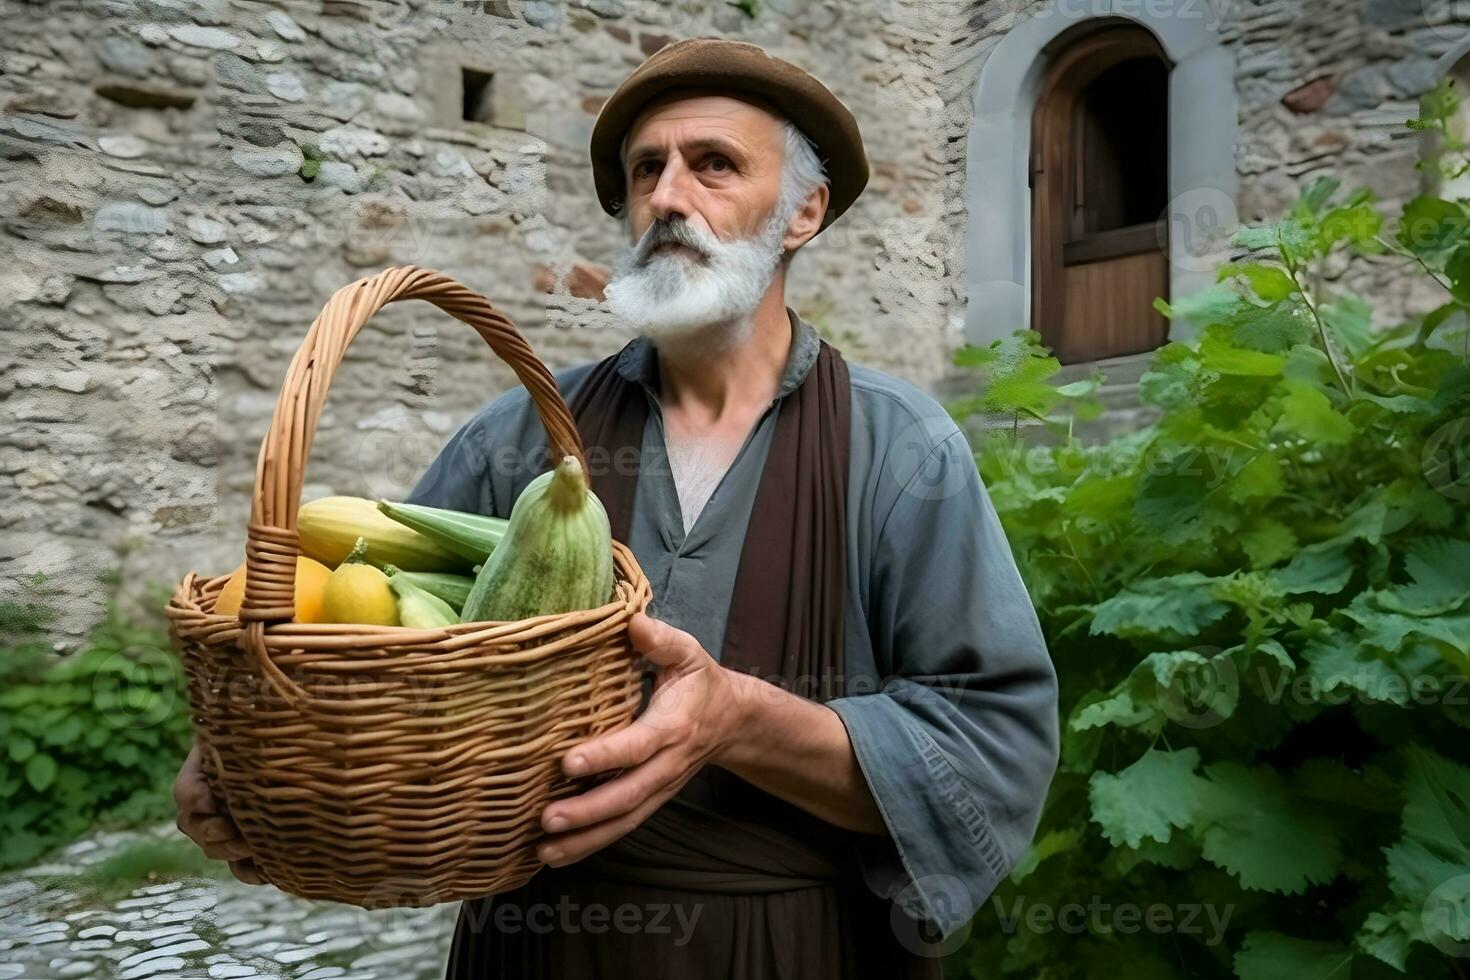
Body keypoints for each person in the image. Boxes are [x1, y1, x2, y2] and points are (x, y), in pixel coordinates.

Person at [174, 36, 1060, 979]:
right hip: (536, 947)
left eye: (714, 164)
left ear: (804, 211)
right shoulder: (517, 441)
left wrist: (741, 720)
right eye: (648, 170)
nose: (669, 198)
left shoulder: (899, 452)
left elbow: (994, 746)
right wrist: (241, 744)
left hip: (788, 951)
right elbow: (363, 630)